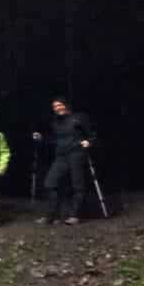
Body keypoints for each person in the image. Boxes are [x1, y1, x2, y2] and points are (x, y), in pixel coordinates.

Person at [42, 96, 98, 224]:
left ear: (66, 105)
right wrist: (41, 139)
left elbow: (92, 134)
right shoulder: (55, 122)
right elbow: (54, 140)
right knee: (50, 183)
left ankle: (75, 215)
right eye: (55, 106)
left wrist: (89, 142)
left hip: (76, 154)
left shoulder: (78, 118)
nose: (57, 108)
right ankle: (52, 215)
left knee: (77, 185)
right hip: (61, 156)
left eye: (59, 105)